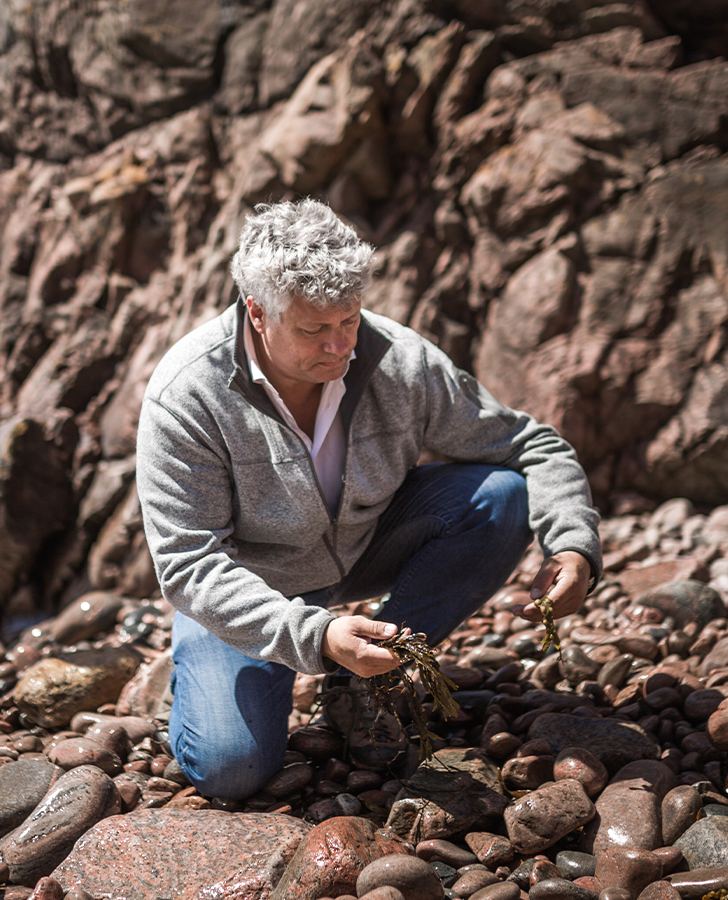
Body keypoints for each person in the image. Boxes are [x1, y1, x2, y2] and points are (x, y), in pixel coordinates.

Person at [136, 197, 602, 800]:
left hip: (365, 546)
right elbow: (188, 564)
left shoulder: (400, 360)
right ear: (256, 312)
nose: (339, 347)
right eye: (312, 330)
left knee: (501, 496)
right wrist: (316, 636)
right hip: (249, 583)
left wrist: (573, 544)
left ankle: (369, 678)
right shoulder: (187, 395)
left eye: (349, 320)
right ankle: (220, 659)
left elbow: (529, 443)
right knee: (232, 770)